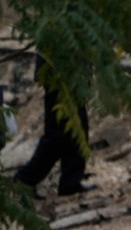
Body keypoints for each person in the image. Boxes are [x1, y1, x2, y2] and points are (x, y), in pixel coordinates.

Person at [13, 56, 97, 198]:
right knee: (57, 134)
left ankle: (70, 182)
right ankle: (25, 180)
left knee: (78, 127)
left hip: (70, 72)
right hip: (58, 72)